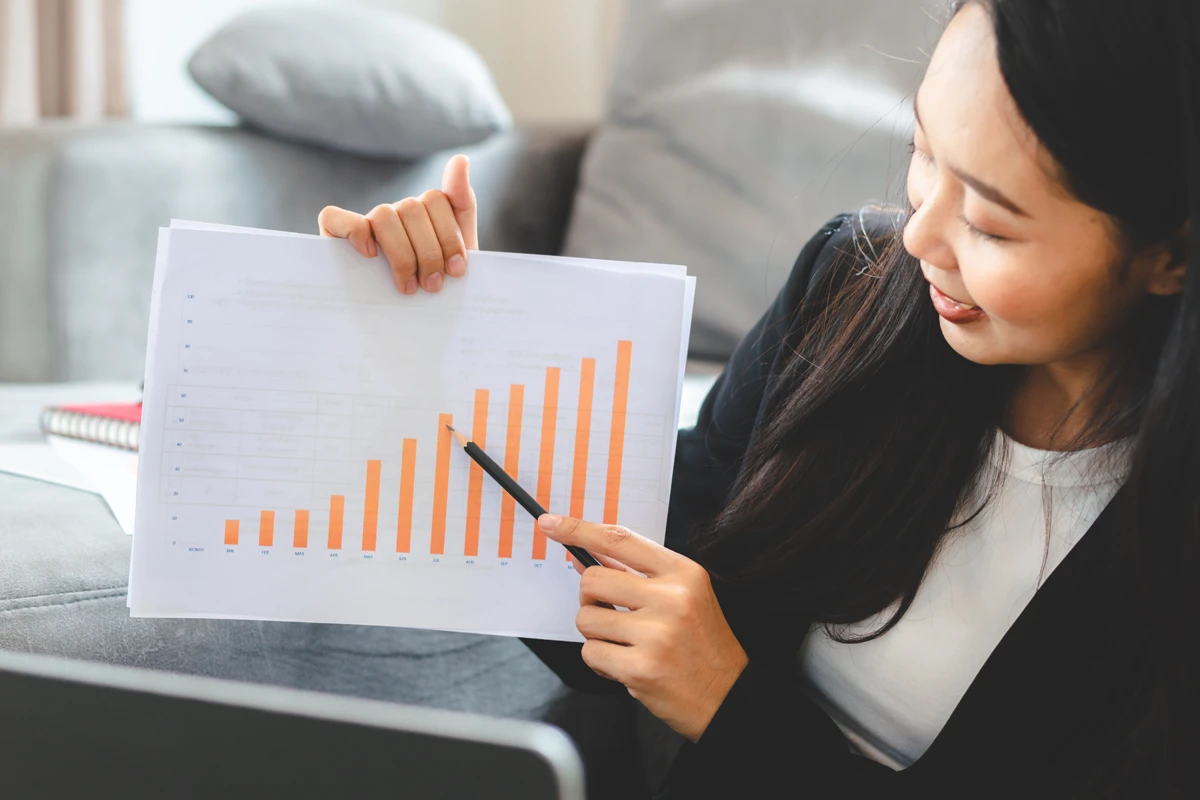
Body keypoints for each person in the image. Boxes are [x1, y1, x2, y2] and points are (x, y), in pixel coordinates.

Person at [317, 0, 1196, 795]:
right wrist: (468, 339)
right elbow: (632, 589)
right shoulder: (846, 291)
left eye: (992, 223)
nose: (920, 235)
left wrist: (725, 703)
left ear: (1171, 254)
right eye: (924, 152)